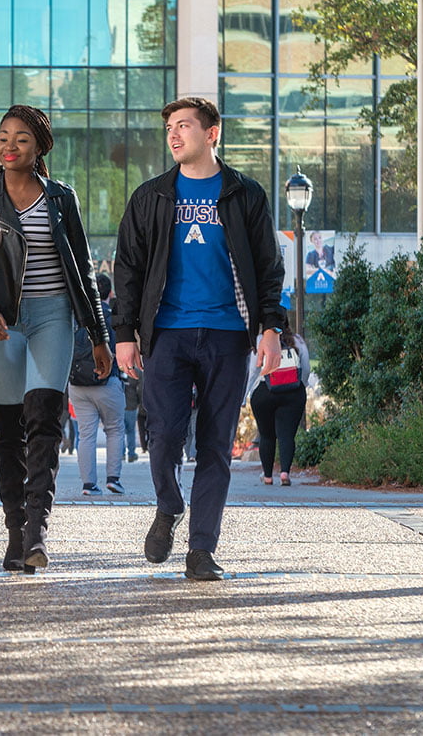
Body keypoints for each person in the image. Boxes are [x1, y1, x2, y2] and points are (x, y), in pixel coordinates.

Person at [113, 96, 286, 582]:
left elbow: (269, 268)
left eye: (184, 125)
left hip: (229, 335)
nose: (173, 134)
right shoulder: (151, 197)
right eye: (169, 126)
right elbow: (127, 269)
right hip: (166, 333)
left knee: (215, 445)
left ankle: (202, 551)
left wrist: (270, 328)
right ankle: (169, 505)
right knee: (163, 435)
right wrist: (125, 334)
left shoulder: (243, 195)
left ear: (212, 133)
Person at [0, 104, 112, 573]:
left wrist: (99, 335)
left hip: (53, 317)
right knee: (7, 427)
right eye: (4, 137)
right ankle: (14, 528)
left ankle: (37, 532)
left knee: (43, 419)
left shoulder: (62, 198)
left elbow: (83, 269)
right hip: (3, 321)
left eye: (21, 138)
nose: (9, 146)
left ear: (40, 146)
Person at [70, 272, 125, 495]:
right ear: (110, 293)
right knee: (114, 430)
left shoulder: (76, 316)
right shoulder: (112, 316)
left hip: (78, 385)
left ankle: (89, 484)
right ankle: (113, 478)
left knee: (86, 435)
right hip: (107, 383)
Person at [246, 330, 310, 486]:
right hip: (292, 393)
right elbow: (306, 368)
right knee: (287, 435)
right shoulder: (297, 340)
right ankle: (284, 473)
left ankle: (267, 476)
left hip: (265, 391)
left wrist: (244, 395)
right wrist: (299, 385)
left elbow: (254, 370)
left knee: (266, 436)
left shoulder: (261, 339)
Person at [122, 371, 142, 462]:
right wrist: (139, 402)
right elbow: (140, 389)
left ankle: (120, 453)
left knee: (118, 432)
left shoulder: (117, 370)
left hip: (118, 405)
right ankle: (131, 454)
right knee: (131, 431)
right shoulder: (136, 372)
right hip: (131, 405)